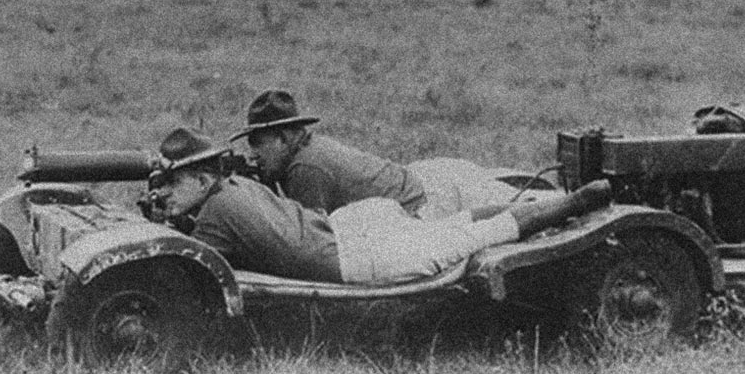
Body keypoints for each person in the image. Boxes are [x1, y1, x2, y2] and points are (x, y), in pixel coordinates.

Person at [153, 127, 612, 286]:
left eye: (172, 185)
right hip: (350, 228)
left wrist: (166, 222)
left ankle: (574, 204)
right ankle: (554, 200)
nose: (167, 195)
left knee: (471, 235)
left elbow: (189, 263)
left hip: (351, 257)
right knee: (459, 224)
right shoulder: (231, 187)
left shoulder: (214, 215)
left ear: (200, 178)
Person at [230, 90, 555, 219]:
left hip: (427, 203)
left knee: (540, 213)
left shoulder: (305, 169)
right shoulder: (308, 150)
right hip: (428, 178)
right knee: (531, 199)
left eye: (259, 142)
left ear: (285, 138)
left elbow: (307, 238)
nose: (253, 153)